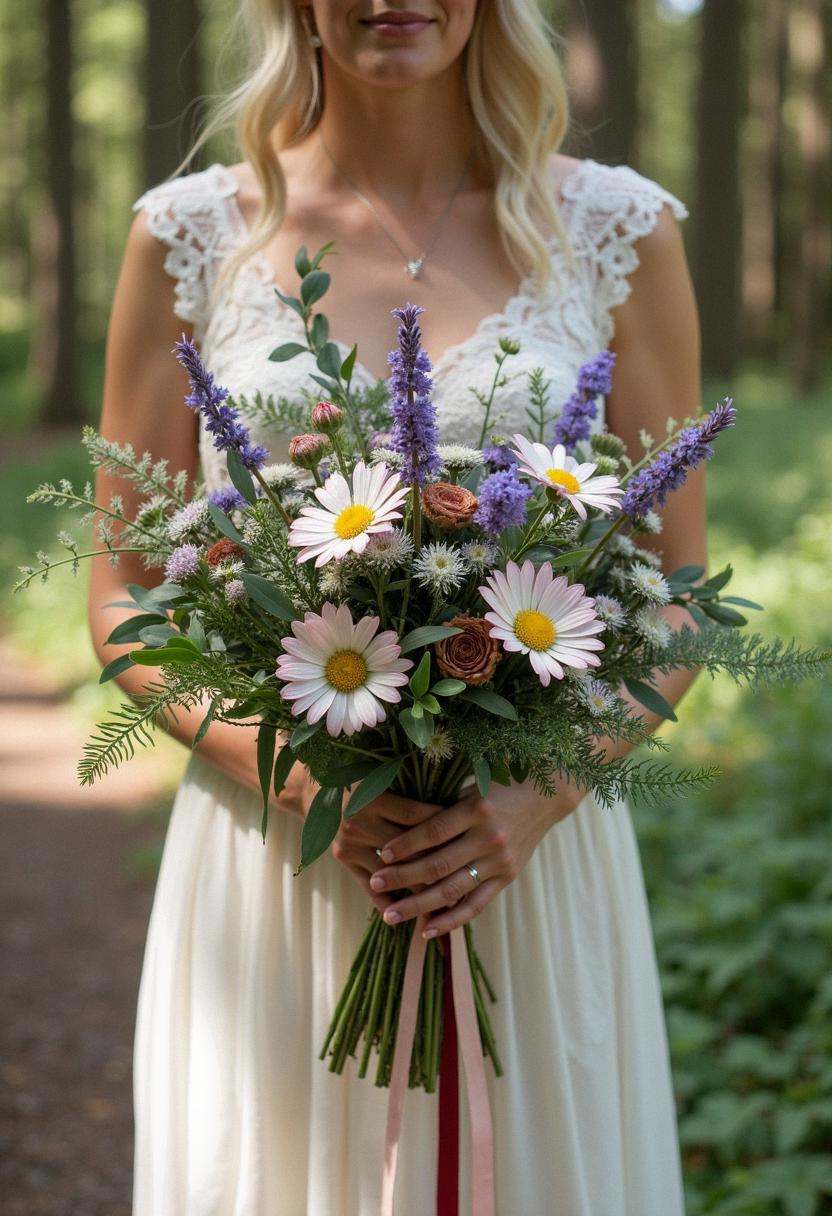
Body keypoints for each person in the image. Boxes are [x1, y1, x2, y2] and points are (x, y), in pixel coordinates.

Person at [90, 0, 705, 1211]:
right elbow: (124, 592)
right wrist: (310, 784)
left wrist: (539, 794)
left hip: (522, 854)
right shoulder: (188, 234)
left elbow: (677, 593)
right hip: (283, 853)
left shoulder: (617, 230)